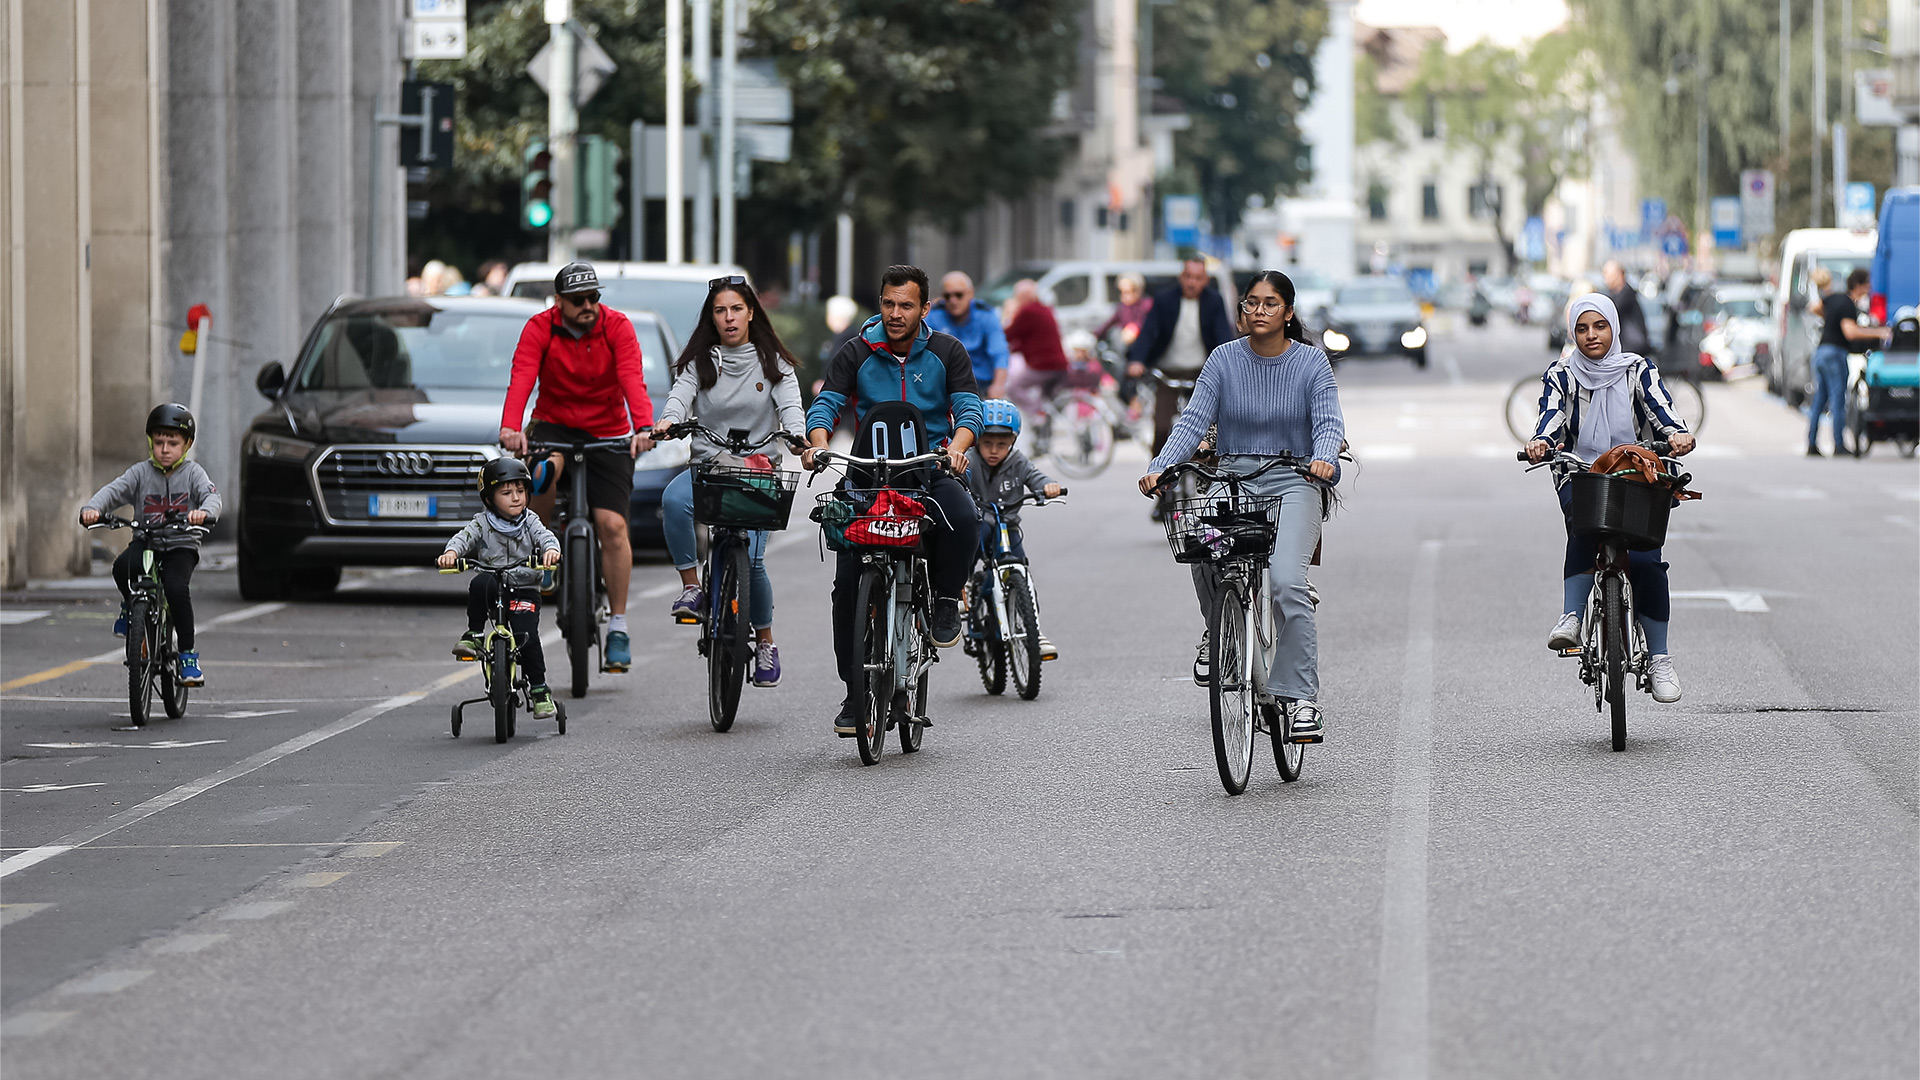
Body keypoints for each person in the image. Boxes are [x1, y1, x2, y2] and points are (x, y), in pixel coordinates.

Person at [1137, 271, 1343, 744]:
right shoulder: (1223, 360)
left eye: (1270, 304)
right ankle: (1220, 630)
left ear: (1288, 313)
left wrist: (1324, 459)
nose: (1258, 311)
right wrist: (1162, 466)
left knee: (1289, 584)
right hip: (1232, 477)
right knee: (1199, 539)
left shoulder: (1312, 364)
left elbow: (1329, 422)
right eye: (1251, 303)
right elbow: (1192, 422)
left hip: (1296, 479)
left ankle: (1300, 700)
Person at [804, 264, 983, 736]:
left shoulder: (948, 352)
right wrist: (818, 443)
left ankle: (945, 598)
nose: (896, 313)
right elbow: (826, 403)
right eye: (888, 304)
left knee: (966, 518)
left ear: (926, 308)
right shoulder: (855, 351)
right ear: (879, 305)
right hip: (866, 478)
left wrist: (958, 450)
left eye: (907, 305)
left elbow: (969, 409)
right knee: (846, 587)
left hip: (928, 471)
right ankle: (854, 692)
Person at [1526, 294, 1695, 703]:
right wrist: (1542, 441)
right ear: (1572, 334)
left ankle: (1659, 659)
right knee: (1585, 525)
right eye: (1581, 328)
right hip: (1581, 473)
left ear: (1614, 328)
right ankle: (1572, 615)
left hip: (1638, 473)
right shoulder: (1562, 375)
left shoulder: (1637, 370)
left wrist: (1676, 434)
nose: (1591, 336)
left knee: (1645, 560)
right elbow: (1551, 416)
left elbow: (1663, 411)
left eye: (1599, 326)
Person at [499, 261, 656, 672]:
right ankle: (544, 551)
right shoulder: (540, 327)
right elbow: (522, 379)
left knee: (613, 526)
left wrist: (643, 427)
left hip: (608, 432)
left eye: (593, 298)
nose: (588, 306)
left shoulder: (617, 327)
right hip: (554, 427)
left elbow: (631, 379)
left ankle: (618, 626)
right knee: (543, 473)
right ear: (559, 302)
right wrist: (510, 428)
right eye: (578, 300)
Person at [652, 276, 806, 688]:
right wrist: (668, 421)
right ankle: (692, 587)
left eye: (736, 309)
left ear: (751, 312)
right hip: (710, 471)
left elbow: (791, 405)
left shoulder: (774, 362)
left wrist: (797, 435)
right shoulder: (699, 362)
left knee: (754, 563)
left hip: (758, 474)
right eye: (720, 311)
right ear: (712, 317)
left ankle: (767, 642)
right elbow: (680, 396)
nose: (729, 317)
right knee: (673, 501)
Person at [79, 404, 222, 687]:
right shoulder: (140, 474)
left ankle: (188, 657)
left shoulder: (194, 474)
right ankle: (130, 607)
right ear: (150, 443)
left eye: (173, 443)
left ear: (187, 445)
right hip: (147, 541)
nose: (165, 449)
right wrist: (92, 509)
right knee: (122, 567)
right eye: (159, 442)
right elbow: (112, 491)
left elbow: (211, 496)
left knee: (176, 587)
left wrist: (204, 513)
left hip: (181, 544)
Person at [439, 458, 563, 719]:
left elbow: (546, 536)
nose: (516, 498)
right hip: (494, 585)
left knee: (526, 635)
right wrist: (451, 553)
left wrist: (551, 550)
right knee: (479, 582)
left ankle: (539, 689)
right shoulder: (482, 523)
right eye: (506, 493)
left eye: (520, 491)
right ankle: (473, 635)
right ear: (489, 499)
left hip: (524, 588)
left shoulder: (530, 521)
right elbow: (464, 538)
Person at [964, 399, 1063, 661]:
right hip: (981, 522)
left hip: (1008, 527)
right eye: (987, 443)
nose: (994, 450)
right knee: (972, 543)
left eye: (1002, 444)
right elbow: (956, 478)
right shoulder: (969, 460)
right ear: (976, 441)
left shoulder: (1018, 461)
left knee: (1021, 572)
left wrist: (1048, 486)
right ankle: (960, 586)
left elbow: (1036, 476)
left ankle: (1034, 630)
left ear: (1013, 442)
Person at [1126, 257, 1236, 455]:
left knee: (1208, 430)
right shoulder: (1164, 300)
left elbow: (1223, 336)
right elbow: (1149, 332)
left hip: (1201, 375)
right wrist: (1137, 360)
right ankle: (1158, 477)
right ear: (1180, 277)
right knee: (1161, 427)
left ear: (1205, 280)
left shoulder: (1214, 302)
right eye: (1187, 277)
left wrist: (1228, 367)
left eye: (1197, 278)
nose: (1191, 282)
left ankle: (1201, 475)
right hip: (1168, 373)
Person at [1808, 267, 1893, 457]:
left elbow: (1813, 307)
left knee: (1820, 399)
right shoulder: (1847, 304)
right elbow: (1851, 332)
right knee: (1838, 400)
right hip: (1835, 353)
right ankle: (1839, 445)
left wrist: (1830, 318)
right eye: (1867, 285)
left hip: (1821, 351)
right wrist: (1878, 332)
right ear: (1858, 285)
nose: (1869, 288)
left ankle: (1812, 443)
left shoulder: (1835, 297)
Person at [926, 271, 1012, 400]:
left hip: (981, 387)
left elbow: (999, 353)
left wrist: (998, 386)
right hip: (944, 388)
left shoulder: (987, 316)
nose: (953, 300)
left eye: (959, 295)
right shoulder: (933, 316)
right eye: (947, 296)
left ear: (971, 293)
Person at [1003, 279, 1071, 414]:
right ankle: (1045, 426)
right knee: (1048, 401)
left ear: (1024, 296)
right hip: (1060, 364)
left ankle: (1038, 413)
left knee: (1013, 388)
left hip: (1043, 365)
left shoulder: (1028, 311)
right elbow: (1028, 338)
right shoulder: (1044, 309)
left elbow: (1009, 334)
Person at [1602, 261, 1650, 356]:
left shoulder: (1626, 294)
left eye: (1607, 275)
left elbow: (1611, 313)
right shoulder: (1616, 294)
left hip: (1632, 347)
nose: (1605, 280)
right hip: (1628, 348)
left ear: (1618, 274)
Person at [1096, 272, 1153, 347]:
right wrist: (1095, 335)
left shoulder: (1147, 305)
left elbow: (1143, 322)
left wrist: (1135, 328)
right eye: (1121, 292)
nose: (1124, 295)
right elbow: (1109, 323)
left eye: (1128, 291)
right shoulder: (1122, 308)